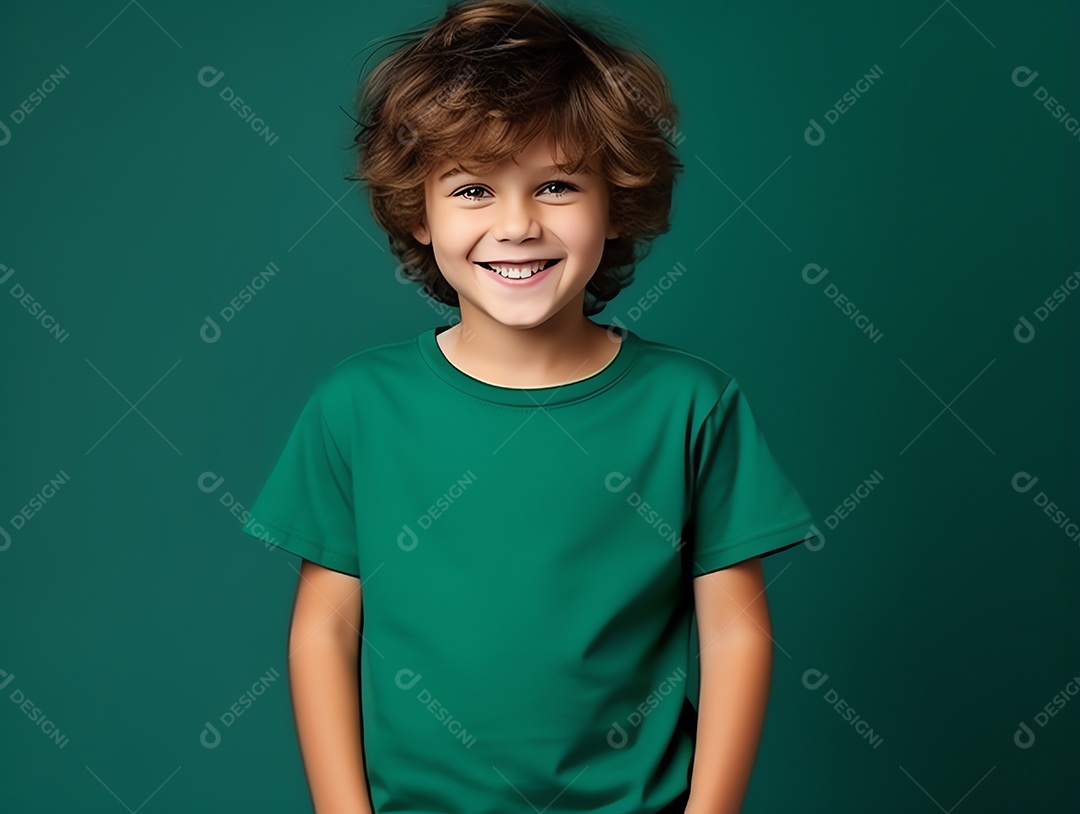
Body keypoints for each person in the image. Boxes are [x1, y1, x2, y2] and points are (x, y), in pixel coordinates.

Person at [241, 1, 820, 812]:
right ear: (418, 208)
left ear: (614, 201)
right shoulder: (358, 406)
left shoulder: (690, 405)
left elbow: (734, 630)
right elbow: (325, 630)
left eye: (555, 185)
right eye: (474, 188)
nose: (517, 225)